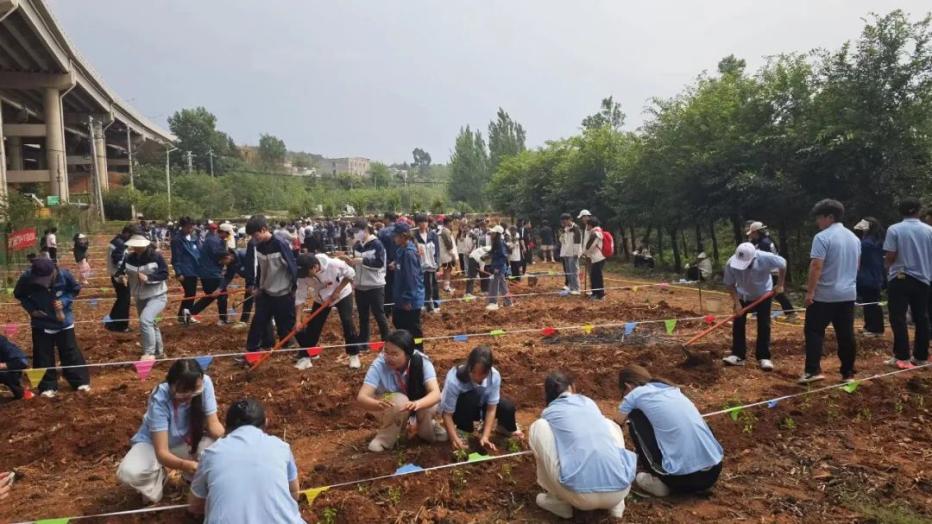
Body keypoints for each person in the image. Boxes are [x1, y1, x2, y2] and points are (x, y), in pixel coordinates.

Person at [529, 371, 635, 520]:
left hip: (579, 497)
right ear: (572, 387)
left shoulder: (550, 411)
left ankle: (558, 501)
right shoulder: (589, 403)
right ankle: (616, 505)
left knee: (538, 426)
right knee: (608, 424)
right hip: (620, 490)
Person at [117, 359, 225, 503]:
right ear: (170, 384)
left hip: (187, 442)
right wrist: (185, 465)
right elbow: (162, 452)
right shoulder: (160, 398)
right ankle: (159, 476)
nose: (188, 397)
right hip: (155, 445)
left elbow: (214, 425)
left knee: (217, 453)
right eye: (183, 392)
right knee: (130, 473)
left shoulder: (204, 383)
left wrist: (231, 441)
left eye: (193, 392)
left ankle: (190, 480)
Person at [189, 399, 304, 523]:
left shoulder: (211, 454)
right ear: (266, 422)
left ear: (227, 427)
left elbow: (195, 505)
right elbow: (294, 493)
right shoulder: (281, 447)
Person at [617, 365, 724, 497]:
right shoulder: (672, 389)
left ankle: (659, 477)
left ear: (628, 386)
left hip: (681, 479)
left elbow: (617, 422)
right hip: (713, 472)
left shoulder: (635, 394)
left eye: (622, 393)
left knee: (635, 416)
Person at [357, 330, 447, 452]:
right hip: (390, 403)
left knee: (427, 404)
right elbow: (362, 397)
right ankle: (384, 439)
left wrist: (417, 404)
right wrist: (378, 404)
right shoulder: (379, 365)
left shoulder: (422, 362)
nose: (389, 358)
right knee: (399, 401)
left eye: (395, 354)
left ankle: (426, 429)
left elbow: (435, 394)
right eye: (386, 352)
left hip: (417, 403)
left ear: (408, 354)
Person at [801, 199, 861, 384]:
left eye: (820, 217)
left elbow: (816, 265)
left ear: (830, 217)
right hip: (847, 294)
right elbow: (857, 265)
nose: (818, 221)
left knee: (814, 330)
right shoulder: (854, 238)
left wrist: (810, 292)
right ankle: (848, 373)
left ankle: (813, 370)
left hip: (825, 295)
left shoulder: (822, 237)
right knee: (846, 334)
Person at [14, 257, 89, 397]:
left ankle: (79, 381)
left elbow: (74, 289)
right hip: (41, 323)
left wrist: (64, 301)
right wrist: (32, 310)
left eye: (45, 279)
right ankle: (47, 386)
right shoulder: (27, 278)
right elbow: (19, 294)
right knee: (43, 355)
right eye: (38, 279)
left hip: (64, 321)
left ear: (53, 272)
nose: (42, 283)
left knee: (70, 352)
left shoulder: (64, 275)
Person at [440, 346, 521, 452]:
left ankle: (503, 429)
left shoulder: (494, 376)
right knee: (470, 397)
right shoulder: (454, 379)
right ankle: (463, 430)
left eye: (482, 374)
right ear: (469, 366)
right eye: (473, 372)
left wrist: (485, 436)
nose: (476, 377)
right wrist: (454, 438)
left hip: (481, 407)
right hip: (460, 410)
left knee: (507, 407)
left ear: (488, 371)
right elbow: (447, 414)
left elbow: (491, 409)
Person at [883, 197, 932, 369]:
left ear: (901, 211)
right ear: (919, 211)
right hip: (923, 279)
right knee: (922, 317)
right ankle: (921, 356)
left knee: (898, 317)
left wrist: (887, 267)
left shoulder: (894, 229)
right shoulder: (929, 230)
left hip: (900, 278)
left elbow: (891, 255)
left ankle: (902, 356)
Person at [722, 242, 786, 371]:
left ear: (753, 258)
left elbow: (783, 263)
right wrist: (737, 303)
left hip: (763, 295)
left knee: (764, 324)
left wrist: (780, 284)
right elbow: (729, 284)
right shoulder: (731, 263)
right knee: (738, 324)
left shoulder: (765, 257)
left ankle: (764, 357)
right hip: (742, 296)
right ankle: (738, 355)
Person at [293, 253, 360, 370]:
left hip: (342, 294)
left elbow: (351, 274)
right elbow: (300, 296)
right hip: (319, 298)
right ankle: (306, 357)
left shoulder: (334, 264)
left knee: (347, 321)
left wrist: (337, 291)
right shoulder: (302, 275)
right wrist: (298, 320)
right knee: (313, 326)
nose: (304, 276)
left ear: (315, 267)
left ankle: (353, 355)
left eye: (306, 272)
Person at [244, 215, 298, 356]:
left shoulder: (280, 244)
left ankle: (288, 347)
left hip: (282, 292)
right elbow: (260, 269)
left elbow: (292, 266)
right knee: (258, 321)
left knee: (284, 323)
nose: (254, 239)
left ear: (263, 229)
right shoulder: (259, 246)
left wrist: (294, 288)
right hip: (265, 291)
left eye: (255, 235)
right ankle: (252, 351)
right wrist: (257, 286)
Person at [121, 234, 169, 361]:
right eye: (134, 246)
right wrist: (121, 276)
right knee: (151, 323)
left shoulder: (156, 256)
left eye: (139, 246)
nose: (136, 248)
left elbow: (164, 273)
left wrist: (148, 278)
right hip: (140, 296)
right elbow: (121, 270)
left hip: (157, 295)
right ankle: (159, 352)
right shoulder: (129, 258)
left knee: (145, 320)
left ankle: (149, 353)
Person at [343, 220, 390, 346]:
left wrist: (362, 261)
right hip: (360, 286)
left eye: (357, 232)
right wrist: (351, 263)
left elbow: (380, 263)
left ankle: (387, 340)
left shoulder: (377, 244)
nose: (355, 235)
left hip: (375, 285)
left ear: (365, 230)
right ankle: (363, 341)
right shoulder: (357, 246)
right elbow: (355, 265)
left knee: (379, 314)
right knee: (362, 316)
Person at [747, 222, 796, 319]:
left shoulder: (764, 244)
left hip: (771, 271)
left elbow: (764, 260)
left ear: (756, 232)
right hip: (772, 270)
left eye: (752, 233)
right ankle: (790, 312)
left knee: (775, 292)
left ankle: (790, 313)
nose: (751, 235)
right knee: (773, 292)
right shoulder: (766, 240)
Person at [390, 223, 425, 347]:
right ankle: (407, 348)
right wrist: (396, 264)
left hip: (410, 298)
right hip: (401, 295)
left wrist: (408, 298)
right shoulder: (401, 250)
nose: (394, 238)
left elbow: (412, 278)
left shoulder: (409, 253)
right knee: (398, 322)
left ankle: (418, 350)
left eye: (395, 236)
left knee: (413, 328)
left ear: (403, 236)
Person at [187, 223, 229, 326]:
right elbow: (218, 254)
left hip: (208, 273)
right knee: (222, 295)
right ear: (223, 232)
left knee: (211, 295)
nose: (228, 236)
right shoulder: (214, 241)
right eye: (227, 234)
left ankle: (190, 313)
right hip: (211, 273)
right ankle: (223, 319)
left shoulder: (214, 239)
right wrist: (229, 253)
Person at [853, 218, 886, 336]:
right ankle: (870, 326)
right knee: (871, 301)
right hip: (875, 275)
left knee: (871, 302)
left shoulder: (866, 243)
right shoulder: (876, 241)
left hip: (868, 275)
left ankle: (875, 329)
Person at [171, 217, 202, 325]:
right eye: (188, 227)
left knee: (191, 294)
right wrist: (178, 272)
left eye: (191, 227)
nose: (190, 229)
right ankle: (185, 316)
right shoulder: (177, 240)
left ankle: (182, 315)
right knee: (190, 293)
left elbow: (198, 251)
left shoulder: (193, 237)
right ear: (182, 226)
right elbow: (176, 257)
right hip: (185, 271)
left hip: (194, 269)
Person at [105, 225, 134, 332]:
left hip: (115, 275)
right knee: (124, 301)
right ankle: (120, 326)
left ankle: (112, 322)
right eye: (131, 236)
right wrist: (123, 274)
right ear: (127, 233)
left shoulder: (116, 241)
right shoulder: (120, 244)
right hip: (120, 276)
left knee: (121, 299)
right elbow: (118, 260)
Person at [414, 214, 441, 313]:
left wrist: (437, 262)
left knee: (433, 284)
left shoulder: (433, 235)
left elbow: (437, 250)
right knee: (423, 284)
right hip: (421, 265)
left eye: (425, 221)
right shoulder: (415, 236)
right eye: (421, 222)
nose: (424, 224)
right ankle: (425, 304)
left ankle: (436, 304)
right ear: (417, 223)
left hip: (432, 264)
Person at [485, 225, 512, 311]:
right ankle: (508, 302)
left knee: (494, 285)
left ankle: (493, 303)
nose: (491, 234)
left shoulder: (500, 243)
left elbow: (503, 256)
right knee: (502, 285)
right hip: (497, 267)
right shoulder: (496, 243)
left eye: (493, 233)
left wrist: (497, 267)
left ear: (497, 234)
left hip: (498, 268)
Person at [582, 216, 606, 300]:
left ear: (590, 225)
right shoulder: (597, 231)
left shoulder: (595, 233)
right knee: (594, 276)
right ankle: (595, 293)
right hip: (596, 257)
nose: (587, 227)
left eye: (587, 225)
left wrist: (585, 253)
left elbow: (590, 246)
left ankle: (600, 295)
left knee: (596, 276)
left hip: (598, 257)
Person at [378, 213, 398, 316]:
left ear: (387, 219)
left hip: (386, 263)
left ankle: (387, 310)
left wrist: (387, 262)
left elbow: (380, 250)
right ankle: (396, 307)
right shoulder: (400, 231)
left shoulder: (382, 232)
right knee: (398, 285)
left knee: (387, 286)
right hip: (398, 262)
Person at [558, 213, 582, 296]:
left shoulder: (576, 228)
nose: (564, 223)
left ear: (569, 220)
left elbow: (578, 241)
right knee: (568, 271)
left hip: (573, 253)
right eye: (562, 222)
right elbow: (562, 241)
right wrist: (562, 234)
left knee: (573, 271)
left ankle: (576, 288)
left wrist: (576, 252)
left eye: (565, 221)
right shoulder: (565, 229)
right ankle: (571, 287)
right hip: (566, 252)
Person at [0, 335, 28, 400]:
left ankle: (20, 395)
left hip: (5, 372)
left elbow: (23, 362)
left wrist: (2, 365)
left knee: (7, 374)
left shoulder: (2, 343)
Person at [438, 217, 458, 293]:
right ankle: (446, 287)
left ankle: (446, 286)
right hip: (447, 255)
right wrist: (453, 255)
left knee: (447, 270)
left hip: (445, 255)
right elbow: (449, 245)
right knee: (447, 271)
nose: (452, 224)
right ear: (448, 223)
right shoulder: (445, 232)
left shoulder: (442, 231)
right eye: (452, 223)